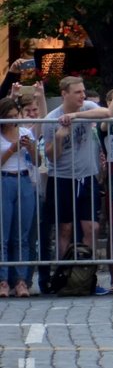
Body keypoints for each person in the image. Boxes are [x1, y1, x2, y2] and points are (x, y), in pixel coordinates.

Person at [43, 76, 111, 275]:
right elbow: (52, 157)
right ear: (64, 94)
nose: (82, 95)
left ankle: (86, 274)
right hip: (62, 178)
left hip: (87, 176)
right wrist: (58, 138)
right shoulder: (50, 119)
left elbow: (106, 112)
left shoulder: (86, 106)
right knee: (64, 229)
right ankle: (63, 274)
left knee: (92, 227)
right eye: (77, 92)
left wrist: (75, 117)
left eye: (83, 91)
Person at [0, 97, 37, 298]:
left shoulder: (25, 132)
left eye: (16, 116)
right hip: (4, 179)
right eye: (9, 117)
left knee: (21, 235)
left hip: (24, 178)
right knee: (2, 235)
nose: (14, 121)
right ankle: (3, 280)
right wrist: (12, 149)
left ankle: (21, 281)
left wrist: (29, 147)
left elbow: (37, 160)